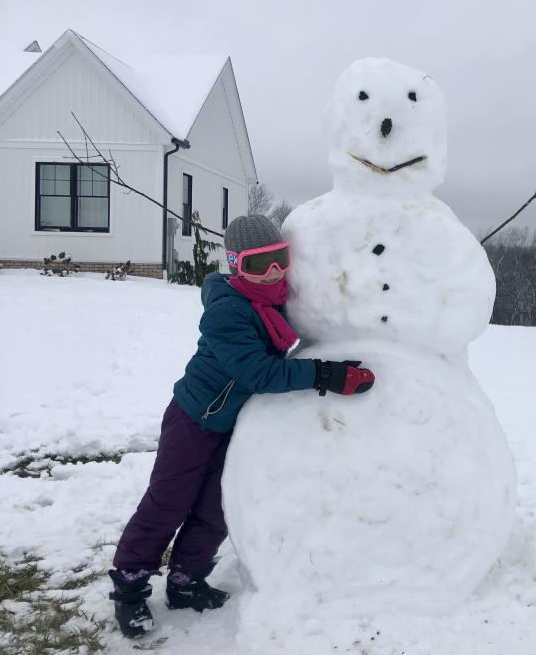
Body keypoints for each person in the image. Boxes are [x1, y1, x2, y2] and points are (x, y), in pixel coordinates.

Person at [108, 215, 375, 638]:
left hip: (234, 424)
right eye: (258, 265)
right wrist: (326, 376)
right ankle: (129, 587)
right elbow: (258, 372)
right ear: (236, 266)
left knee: (217, 506)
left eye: (279, 260)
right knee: (168, 503)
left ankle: (186, 580)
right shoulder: (226, 311)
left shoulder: (279, 300)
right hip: (194, 419)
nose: (272, 273)